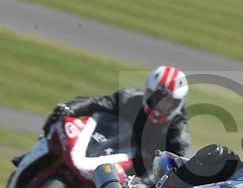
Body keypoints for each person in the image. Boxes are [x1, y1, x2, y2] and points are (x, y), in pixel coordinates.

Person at [42, 65, 191, 180]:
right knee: (58, 125)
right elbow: (95, 103)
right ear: (147, 92)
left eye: (168, 103)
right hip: (103, 147)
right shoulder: (129, 98)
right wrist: (69, 108)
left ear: (178, 104)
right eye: (156, 98)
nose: (160, 106)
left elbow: (172, 169)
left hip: (131, 172)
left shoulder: (178, 133)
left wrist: (142, 183)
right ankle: (34, 156)